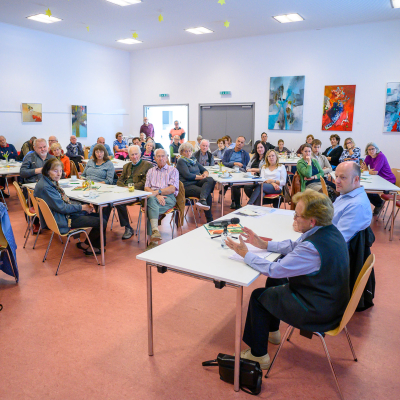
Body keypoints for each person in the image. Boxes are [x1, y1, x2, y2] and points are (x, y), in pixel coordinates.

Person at [225, 190, 349, 369]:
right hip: (329, 299)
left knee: (258, 297)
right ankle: (273, 332)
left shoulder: (312, 248)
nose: (294, 219)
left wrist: (246, 255)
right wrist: (263, 244)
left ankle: (258, 355)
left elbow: (274, 269)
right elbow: (295, 246)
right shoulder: (329, 230)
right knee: (276, 284)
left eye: (297, 215)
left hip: (319, 310)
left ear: (311, 221)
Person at [34, 158, 106, 256]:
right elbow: (63, 208)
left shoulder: (46, 182)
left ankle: (88, 245)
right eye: (55, 171)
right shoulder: (46, 187)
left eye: (60, 171)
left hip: (58, 217)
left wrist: (81, 207)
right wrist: (82, 208)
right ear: (47, 171)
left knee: (99, 216)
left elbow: (61, 204)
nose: (59, 174)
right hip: (63, 220)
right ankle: (93, 247)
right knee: (102, 221)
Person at [115, 146, 153, 240]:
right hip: (124, 192)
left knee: (119, 203)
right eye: (132, 154)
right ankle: (127, 226)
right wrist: (123, 187)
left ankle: (127, 228)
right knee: (113, 201)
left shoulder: (147, 165)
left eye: (136, 154)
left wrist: (129, 188)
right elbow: (120, 180)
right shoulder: (126, 166)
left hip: (138, 193)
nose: (134, 156)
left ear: (140, 154)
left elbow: (144, 183)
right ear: (129, 155)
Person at [144, 149, 179, 243]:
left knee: (149, 208)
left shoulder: (173, 170)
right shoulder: (150, 171)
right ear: (154, 158)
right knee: (151, 203)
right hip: (153, 196)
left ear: (167, 157)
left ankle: (153, 242)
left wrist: (157, 193)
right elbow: (146, 187)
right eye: (158, 156)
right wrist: (156, 196)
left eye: (163, 156)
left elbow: (172, 189)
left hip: (168, 197)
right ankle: (155, 232)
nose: (161, 158)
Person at [332, 162, 372, 241]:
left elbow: (337, 240)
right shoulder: (346, 193)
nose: (337, 181)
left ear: (356, 179)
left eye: (343, 177)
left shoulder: (356, 205)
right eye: (336, 176)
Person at [176, 142, 215, 222]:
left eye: (190, 151)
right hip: (186, 186)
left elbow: (204, 170)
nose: (188, 153)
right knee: (207, 194)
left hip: (196, 183)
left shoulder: (193, 160)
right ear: (181, 152)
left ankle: (202, 200)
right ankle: (209, 220)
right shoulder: (181, 161)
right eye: (186, 151)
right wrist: (201, 177)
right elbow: (188, 175)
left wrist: (205, 174)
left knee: (210, 179)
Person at [361, 142, 396, 215]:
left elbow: (375, 172)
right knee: (365, 190)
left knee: (369, 191)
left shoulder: (381, 156)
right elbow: (362, 168)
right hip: (378, 180)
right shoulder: (368, 157)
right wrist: (367, 170)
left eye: (373, 149)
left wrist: (366, 170)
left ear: (376, 149)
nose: (371, 151)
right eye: (369, 149)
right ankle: (379, 204)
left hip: (388, 180)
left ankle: (379, 204)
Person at [222, 136, 250, 209]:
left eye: (242, 142)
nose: (239, 143)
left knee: (235, 183)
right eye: (238, 141)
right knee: (233, 181)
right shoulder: (228, 152)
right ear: (235, 141)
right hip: (228, 171)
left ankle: (236, 203)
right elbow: (224, 162)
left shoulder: (245, 154)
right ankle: (235, 202)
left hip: (240, 172)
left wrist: (240, 166)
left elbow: (247, 166)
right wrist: (234, 163)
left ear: (243, 144)